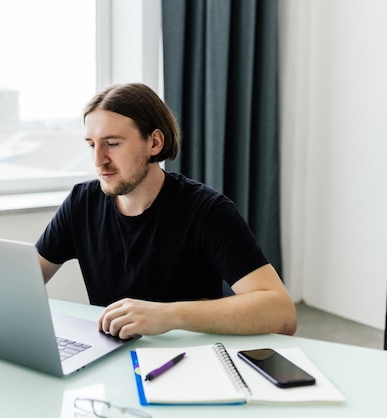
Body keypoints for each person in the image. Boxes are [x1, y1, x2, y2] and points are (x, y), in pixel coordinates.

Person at [36, 82, 297, 339]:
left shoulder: (208, 211)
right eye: (92, 145)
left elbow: (282, 314)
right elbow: (25, 280)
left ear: (155, 143)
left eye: (112, 144)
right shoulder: (80, 203)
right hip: (110, 357)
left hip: (188, 362)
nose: (98, 160)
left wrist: (169, 316)